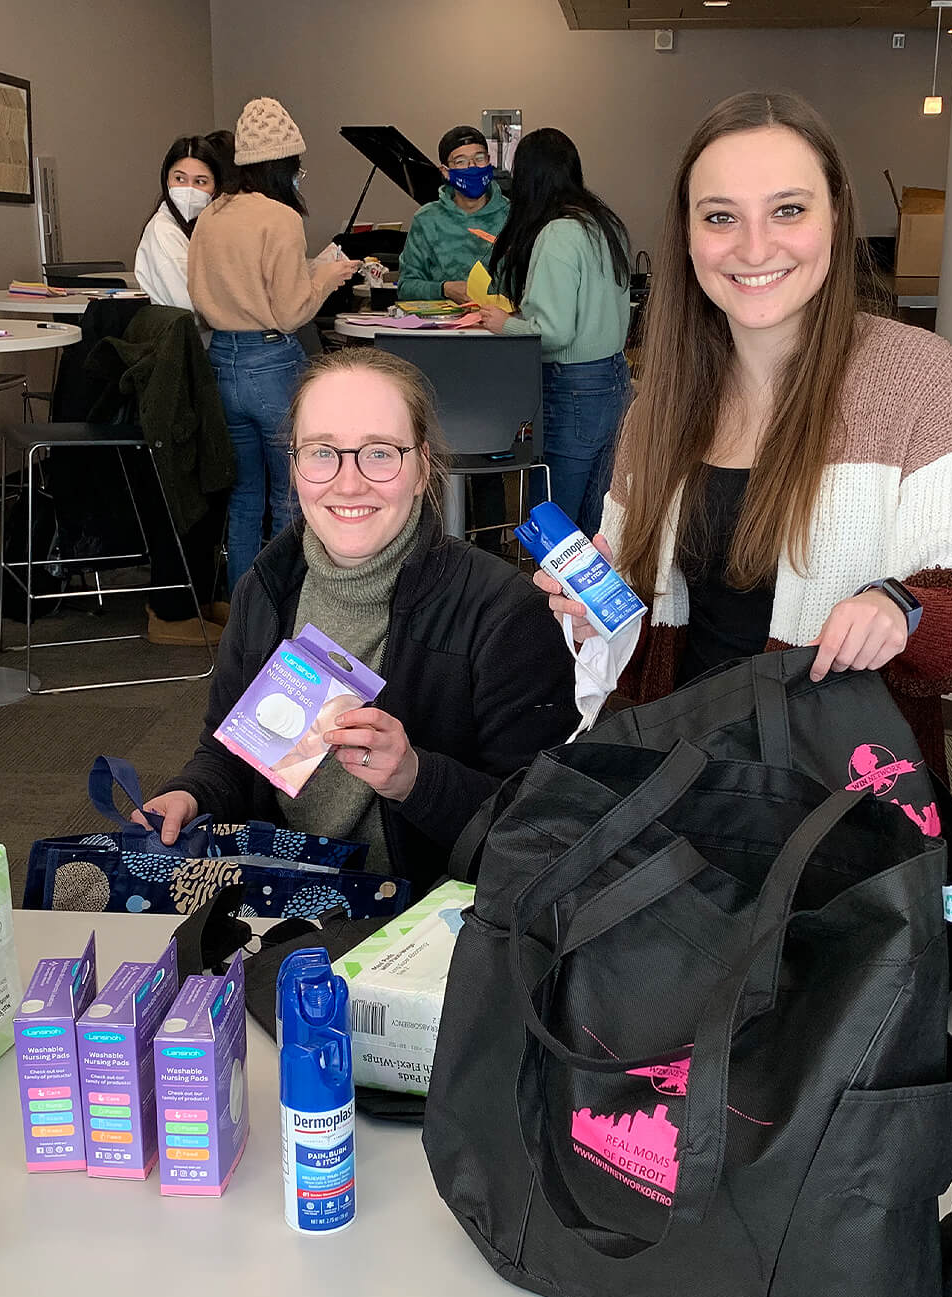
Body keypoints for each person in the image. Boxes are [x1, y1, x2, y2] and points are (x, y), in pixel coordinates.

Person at [539, 92, 952, 777]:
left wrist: (901, 609)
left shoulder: (919, 377)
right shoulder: (663, 399)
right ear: (687, 233)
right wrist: (598, 617)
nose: (755, 246)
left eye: (788, 210)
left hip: (840, 800)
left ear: (837, 215)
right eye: (720, 217)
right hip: (680, 786)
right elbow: (643, 626)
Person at [137, 348, 577, 891]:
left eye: (379, 453)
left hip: (425, 924)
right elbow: (231, 753)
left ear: (422, 470)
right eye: (323, 453)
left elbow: (540, 834)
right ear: (294, 466)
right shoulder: (268, 589)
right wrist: (190, 793)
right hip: (282, 899)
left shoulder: (503, 613)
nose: (348, 484)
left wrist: (416, 777)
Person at [189, 97, 360, 586]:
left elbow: (215, 292)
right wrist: (327, 277)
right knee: (291, 496)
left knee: (244, 498)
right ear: (284, 165)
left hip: (222, 359)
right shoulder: (280, 218)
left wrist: (309, 273)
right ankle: (287, 610)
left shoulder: (212, 215)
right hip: (272, 363)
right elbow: (290, 312)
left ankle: (247, 611)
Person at [456, 127, 633, 533]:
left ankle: (547, 598)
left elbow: (552, 333)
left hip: (572, 389)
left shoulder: (557, 233)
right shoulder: (604, 224)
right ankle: (588, 598)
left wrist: (504, 323)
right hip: (615, 381)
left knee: (554, 522)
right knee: (597, 521)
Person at [396, 126, 512, 304]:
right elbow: (406, 287)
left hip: (500, 326)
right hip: (441, 327)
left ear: (489, 161)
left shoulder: (513, 216)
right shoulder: (427, 219)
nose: (472, 166)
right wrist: (444, 289)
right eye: (461, 161)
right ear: (445, 171)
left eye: (479, 158)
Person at [134, 133, 231, 316]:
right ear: (166, 180)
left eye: (200, 182)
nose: (189, 189)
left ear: (216, 188)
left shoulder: (204, 228)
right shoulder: (163, 232)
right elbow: (190, 307)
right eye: (180, 179)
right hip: (189, 337)